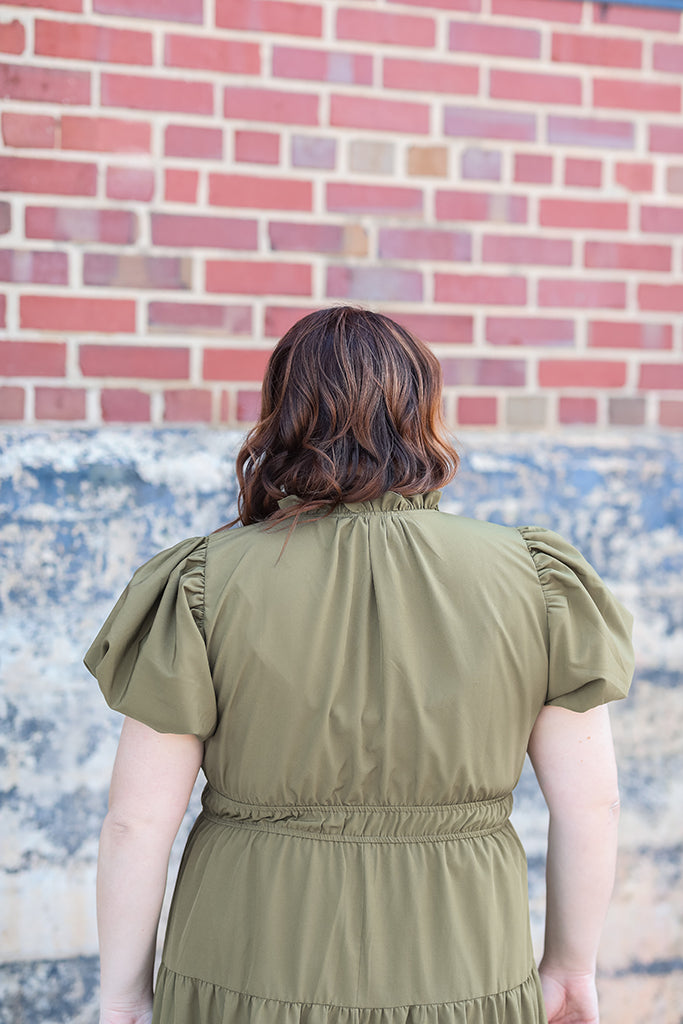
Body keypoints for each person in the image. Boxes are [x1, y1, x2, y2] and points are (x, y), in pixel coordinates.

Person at [85, 306, 634, 1024]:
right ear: (422, 413)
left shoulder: (202, 581)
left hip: (244, 954)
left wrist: (123, 995)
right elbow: (590, 805)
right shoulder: (536, 578)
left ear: (281, 414)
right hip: (462, 956)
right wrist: (568, 965)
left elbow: (137, 820)